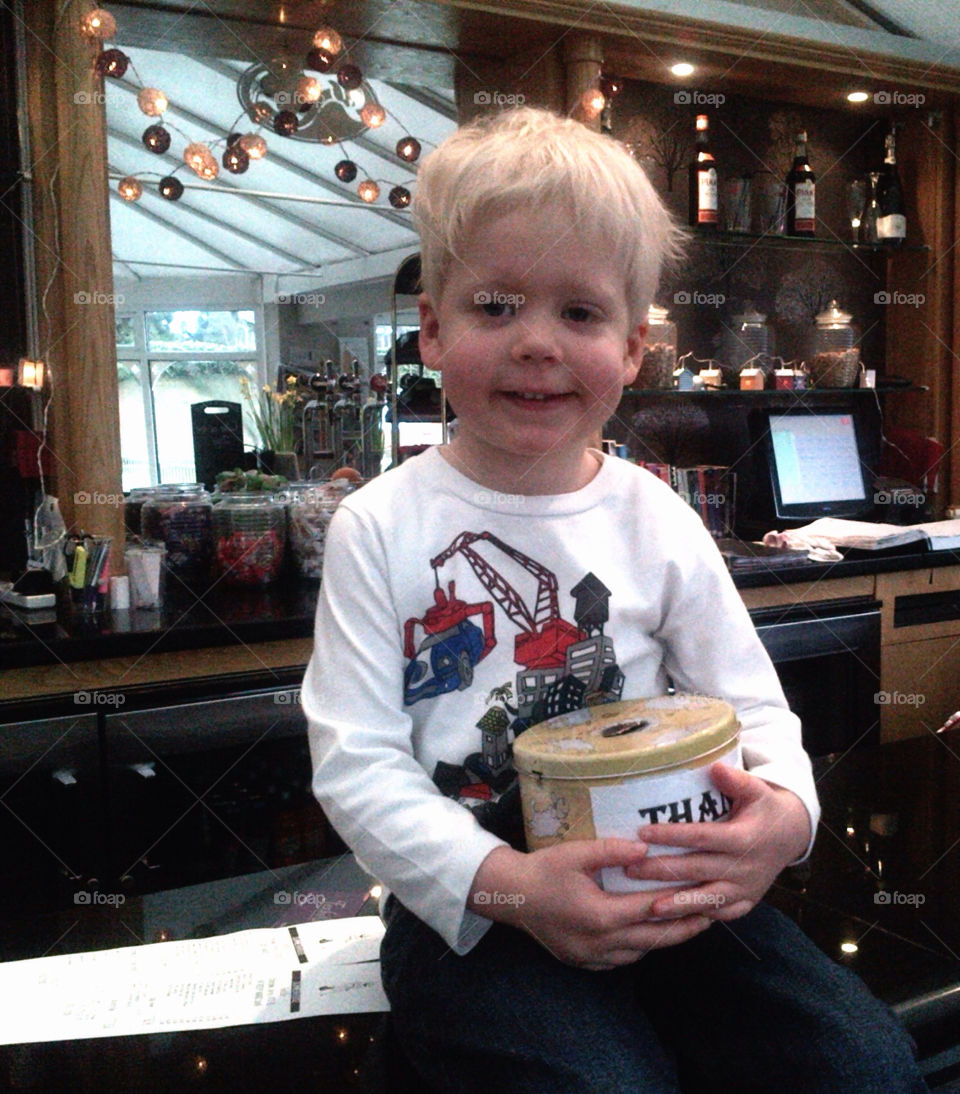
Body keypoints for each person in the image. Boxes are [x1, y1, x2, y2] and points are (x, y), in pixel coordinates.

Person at [302, 106, 925, 1092]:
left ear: (634, 348)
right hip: (479, 899)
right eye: (496, 305)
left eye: (579, 314)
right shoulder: (378, 527)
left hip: (669, 870)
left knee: (862, 1060)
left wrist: (788, 818)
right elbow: (356, 766)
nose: (537, 343)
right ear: (431, 328)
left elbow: (754, 708)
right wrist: (509, 884)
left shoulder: (656, 512)